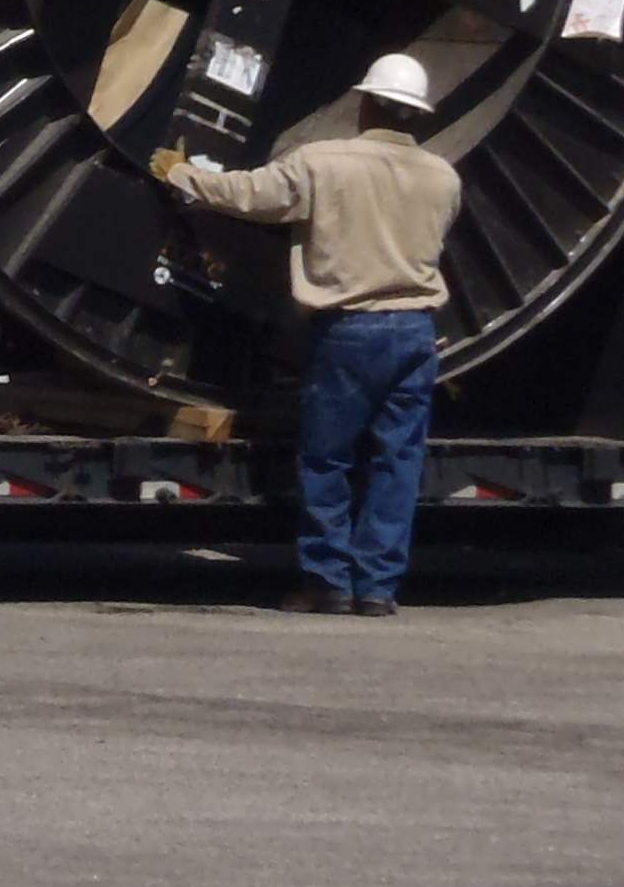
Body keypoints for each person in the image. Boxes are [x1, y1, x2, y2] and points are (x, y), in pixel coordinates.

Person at [155, 50, 469, 617]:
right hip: (415, 332)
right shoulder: (443, 177)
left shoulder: (323, 163)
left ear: (366, 104)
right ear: (418, 113)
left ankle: (328, 581)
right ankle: (378, 588)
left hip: (349, 330)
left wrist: (183, 175)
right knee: (397, 463)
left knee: (328, 459)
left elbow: (250, 196)